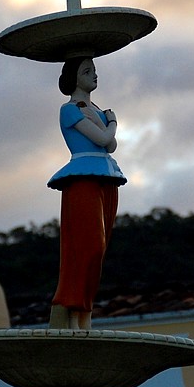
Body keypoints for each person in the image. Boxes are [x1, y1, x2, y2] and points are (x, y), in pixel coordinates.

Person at [47, 56, 126, 330]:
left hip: (107, 175)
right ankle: (72, 311)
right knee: (87, 247)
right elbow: (105, 139)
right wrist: (113, 121)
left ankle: (85, 318)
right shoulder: (69, 110)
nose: (94, 75)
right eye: (87, 71)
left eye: (94, 70)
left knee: (99, 250)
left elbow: (110, 146)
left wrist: (108, 123)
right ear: (74, 76)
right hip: (82, 176)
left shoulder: (97, 109)